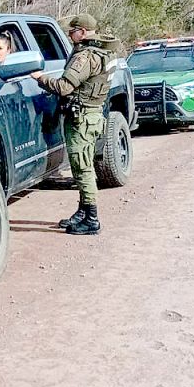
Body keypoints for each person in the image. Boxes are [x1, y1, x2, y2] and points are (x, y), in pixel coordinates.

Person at [30, 13, 117, 235]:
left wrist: (40, 78)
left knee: (83, 168)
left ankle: (92, 219)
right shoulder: (101, 52)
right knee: (81, 166)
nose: (70, 34)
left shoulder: (85, 57)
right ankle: (83, 211)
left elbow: (64, 87)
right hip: (91, 116)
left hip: (82, 119)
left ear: (83, 32)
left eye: (73, 30)